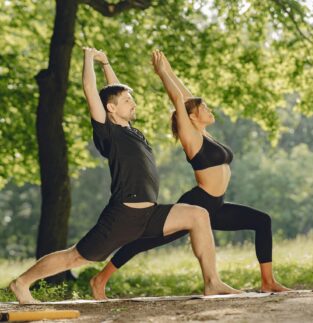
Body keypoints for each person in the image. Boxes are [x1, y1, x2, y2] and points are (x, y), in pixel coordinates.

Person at [9, 48, 239, 304]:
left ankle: (212, 282)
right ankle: (21, 283)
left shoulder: (129, 129)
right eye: (128, 101)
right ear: (111, 108)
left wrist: (106, 62)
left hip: (149, 213)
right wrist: (88, 58)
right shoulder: (109, 133)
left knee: (199, 215)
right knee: (76, 256)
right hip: (124, 215)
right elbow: (90, 90)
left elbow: (114, 90)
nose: (134, 103)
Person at [89, 50, 289, 300]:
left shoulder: (204, 133)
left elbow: (185, 96)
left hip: (217, 205)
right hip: (198, 203)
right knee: (144, 240)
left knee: (262, 221)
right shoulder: (190, 135)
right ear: (192, 116)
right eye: (203, 107)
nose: (208, 109)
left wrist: (168, 68)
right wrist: (162, 75)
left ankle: (267, 281)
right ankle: (100, 279)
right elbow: (177, 98)